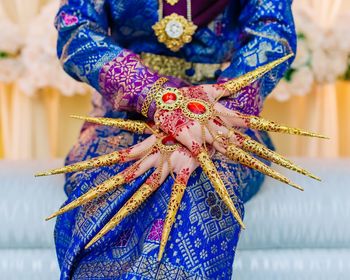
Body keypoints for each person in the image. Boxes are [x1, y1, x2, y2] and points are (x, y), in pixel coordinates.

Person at [53, 0, 296, 279]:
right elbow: (76, 29)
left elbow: (273, 36)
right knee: (118, 179)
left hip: (224, 116)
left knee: (199, 181)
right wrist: (155, 97)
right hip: (124, 117)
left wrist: (206, 117)